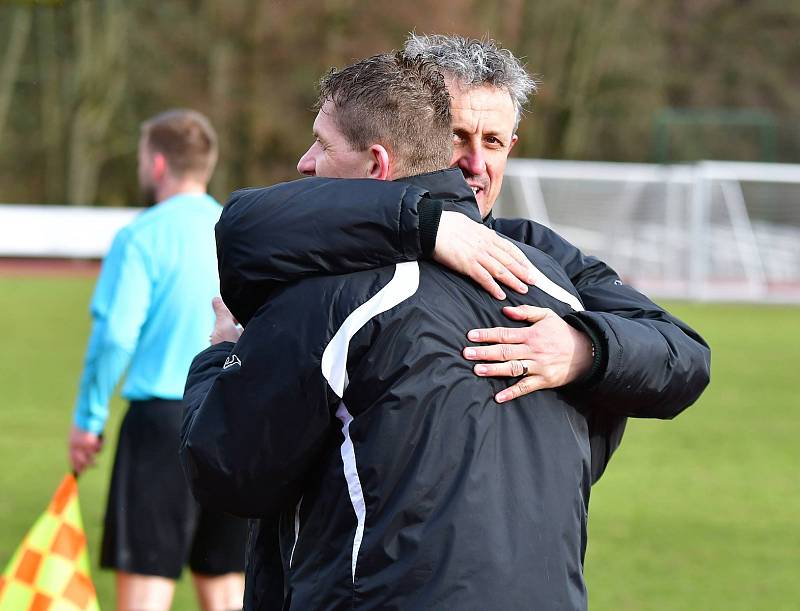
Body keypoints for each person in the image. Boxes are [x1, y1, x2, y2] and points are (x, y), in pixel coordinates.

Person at [182, 52, 597, 610]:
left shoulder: (332, 295)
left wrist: (222, 354)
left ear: (377, 165)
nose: (305, 164)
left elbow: (230, 471)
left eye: (323, 145)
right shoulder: (553, 287)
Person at [209, 34, 711, 484]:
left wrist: (584, 350)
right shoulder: (332, 247)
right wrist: (425, 223)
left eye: (492, 142)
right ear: (413, 129)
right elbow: (248, 222)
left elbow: (683, 355)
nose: (475, 163)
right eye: (456, 136)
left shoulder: (539, 256)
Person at [68, 109, 247, 611]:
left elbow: (116, 337)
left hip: (161, 425)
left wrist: (88, 421)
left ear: (159, 163)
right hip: (231, 419)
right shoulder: (238, 231)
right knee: (227, 584)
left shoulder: (140, 237)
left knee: (147, 585)